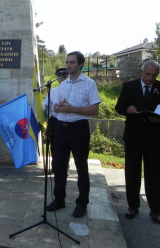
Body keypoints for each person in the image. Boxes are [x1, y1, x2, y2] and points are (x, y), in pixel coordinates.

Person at [115, 60, 160, 224]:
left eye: (154, 75)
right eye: (148, 74)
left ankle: (155, 209)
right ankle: (132, 206)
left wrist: (159, 119)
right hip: (133, 137)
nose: (150, 78)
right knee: (132, 173)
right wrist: (127, 109)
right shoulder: (129, 86)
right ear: (141, 72)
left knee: (154, 174)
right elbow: (118, 107)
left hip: (153, 138)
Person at [46, 51, 101, 218]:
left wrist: (72, 109)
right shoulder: (62, 85)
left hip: (78, 129)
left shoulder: (89, 84)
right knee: (59, 166)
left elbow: (95, 110)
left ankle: (82, 203)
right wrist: (58, 108)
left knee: (81, 167)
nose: (68, 65)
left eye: (71, 62)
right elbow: (55, 107)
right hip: (61, 128)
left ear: (80, 65)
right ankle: (59, 199)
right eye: (67, 62)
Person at [43, 68, 69, 174]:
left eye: (64, 77)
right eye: (60, 77)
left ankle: (65, 167)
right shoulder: (53, 91)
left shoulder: (71, 91)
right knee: (54, 144)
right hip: (55, 119)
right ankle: (55, 167)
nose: (62, 79)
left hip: (68, 120)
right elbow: (46, 104)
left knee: (66, 145)